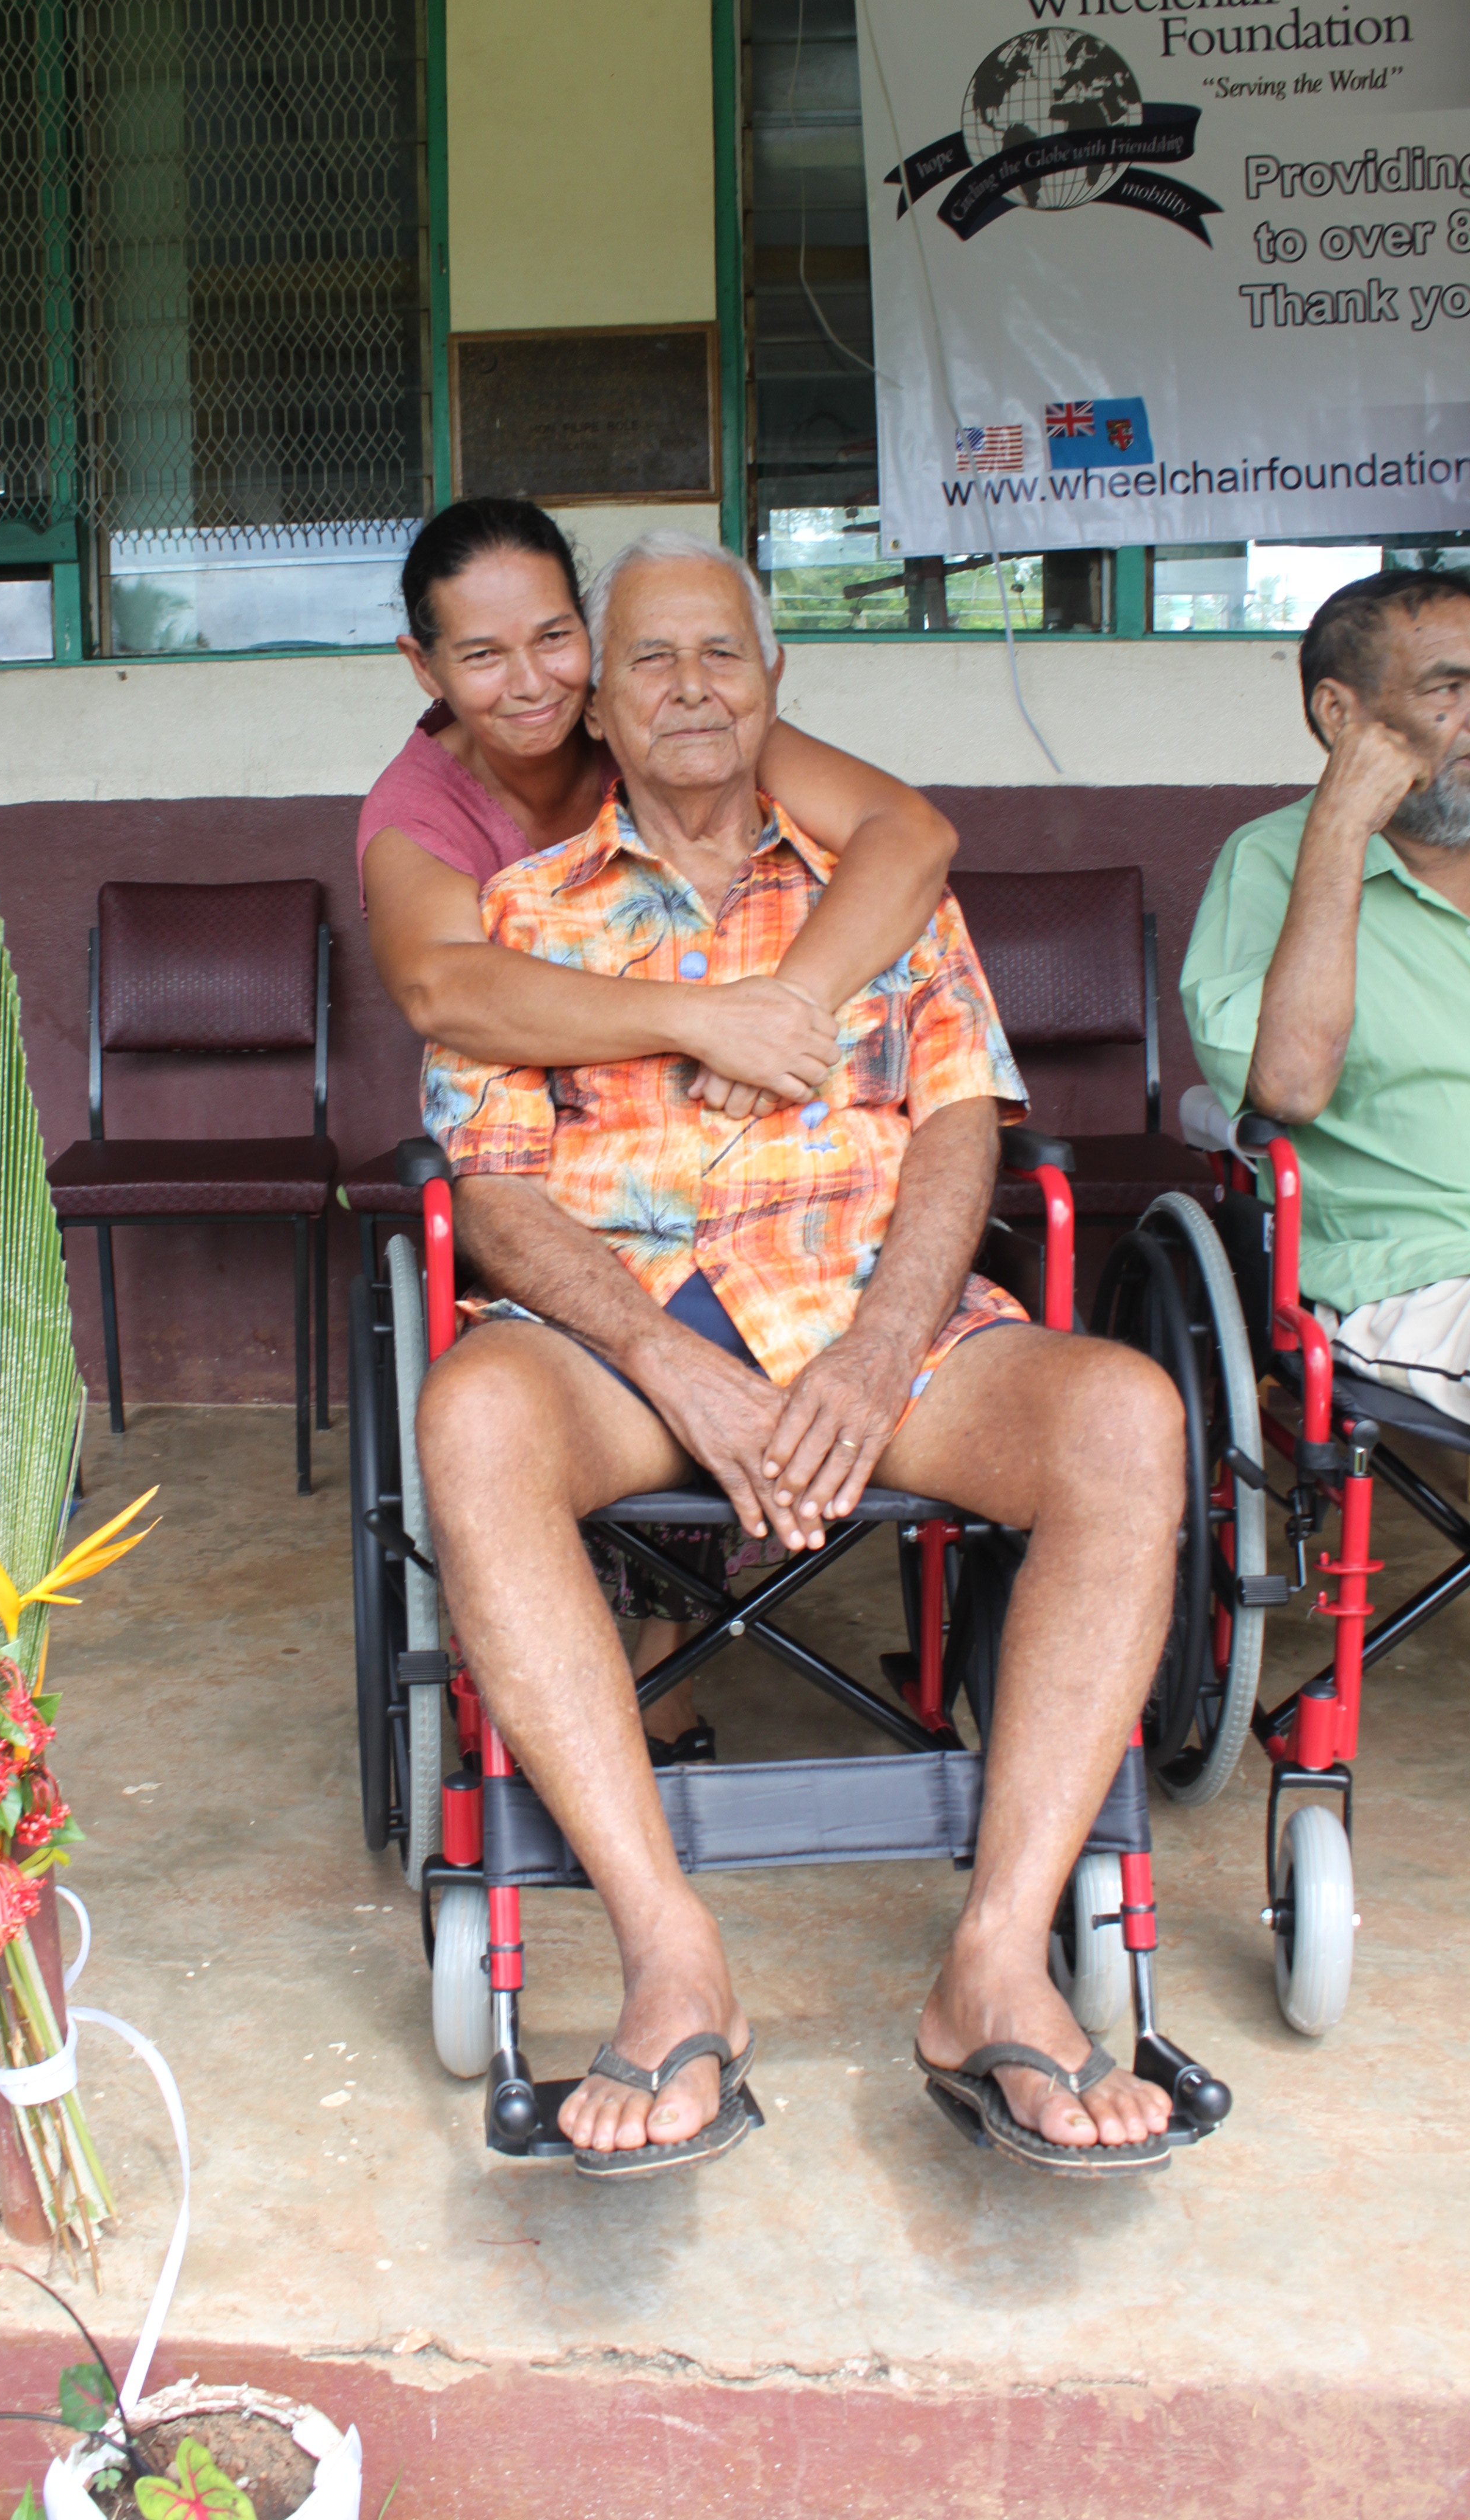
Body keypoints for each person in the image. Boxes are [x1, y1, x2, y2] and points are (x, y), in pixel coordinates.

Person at [414, 531, 1185, 2178]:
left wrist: (880, 1347)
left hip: (871, 1321)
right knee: (475, 1414)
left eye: (725, 656)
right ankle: (664, 1947)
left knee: (1124, 1417)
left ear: (777, 688)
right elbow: (484, 1191)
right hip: (628, 1343)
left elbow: (964, 1124)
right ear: (599, 710)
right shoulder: (521, 914)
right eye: (651, 663)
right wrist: (665, 1359)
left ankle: (997, 1964)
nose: (691, 686)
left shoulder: (886, 896)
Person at [361, 497, 958, 1752]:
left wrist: (787, 1003)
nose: (529, 684)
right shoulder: (422, 810)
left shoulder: (680, 706)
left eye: (555, 639)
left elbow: (910, 837)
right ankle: (597, 1682)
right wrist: (698, 1020)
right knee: (596, 1319)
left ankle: (669, 1649)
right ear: (424, 669)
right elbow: (444, 989)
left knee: (760, 1261)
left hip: (762, 1172)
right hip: (571, 1138)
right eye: (479, 657)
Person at [1182, 568, 1470, 1421]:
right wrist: (1343, 825)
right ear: (1339, 716)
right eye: (1449, 690)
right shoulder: (1269, 864)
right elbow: (1290, 1089)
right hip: (1415, 1276)